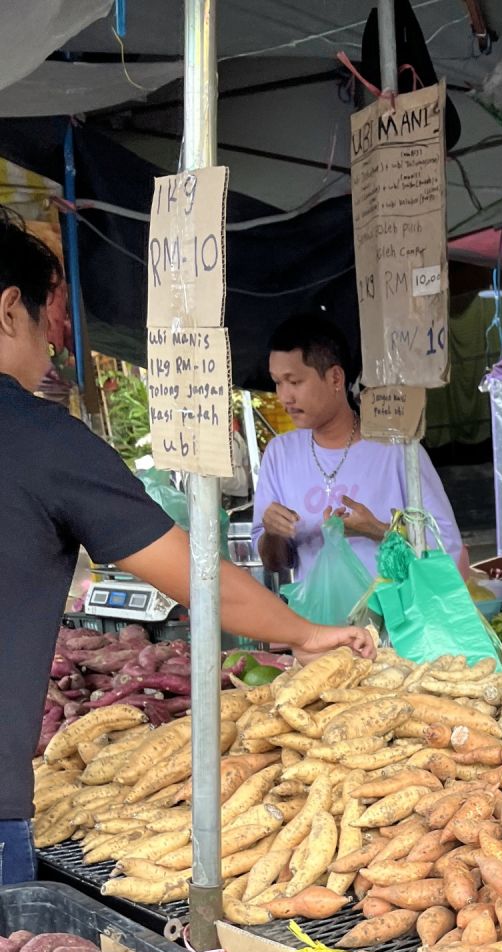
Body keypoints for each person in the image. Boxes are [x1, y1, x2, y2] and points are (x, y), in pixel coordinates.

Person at [0, 208, 372, 884]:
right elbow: (194, 576)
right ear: (7, 312)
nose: (54, 342)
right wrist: (305, 633)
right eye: (45, 320)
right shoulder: (40, 440)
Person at [254, 314, 466, 580]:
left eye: (294, 382)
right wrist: (272, 532)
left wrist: (377, 530)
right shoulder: (280, 454)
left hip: (390, 607)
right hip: (312, 608)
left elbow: (447, 546)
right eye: (278, 382)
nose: (284, 397)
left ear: (335, 378)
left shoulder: (396, 449)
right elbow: (274, 563)